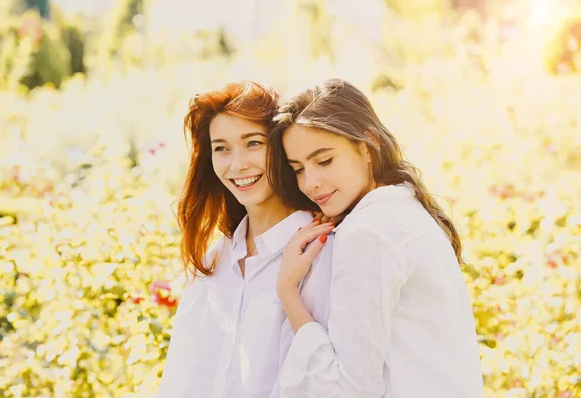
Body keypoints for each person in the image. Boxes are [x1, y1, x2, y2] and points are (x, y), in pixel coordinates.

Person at [267, 78, 485, 397]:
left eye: (324, 160)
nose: (310, 183)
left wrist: (287, 290)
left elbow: (348, 388)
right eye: (297, 168)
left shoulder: (370, 230)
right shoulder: (403, 208)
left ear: (367, 146)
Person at [157, 81, 335, 398]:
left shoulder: (321, 251)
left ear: (281, 148)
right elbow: (180, 377)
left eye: (253, 143)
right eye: (221, 148)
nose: (237, 164)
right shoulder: (214, 260)